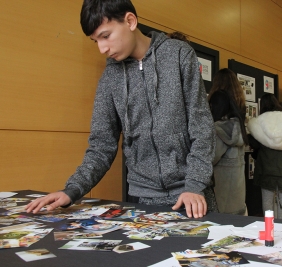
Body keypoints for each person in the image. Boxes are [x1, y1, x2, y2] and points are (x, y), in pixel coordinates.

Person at [26, 0, 216, 218]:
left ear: (130, 21)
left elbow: (202, 128)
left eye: (105, 36)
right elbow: (101, 146)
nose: (102, 48)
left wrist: (194, 184)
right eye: (95, 40)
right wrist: (72, 189)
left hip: (193, 196)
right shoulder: (110, 78)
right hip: (144, 201)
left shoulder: (179, 55)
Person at [247, 93, 282, 219]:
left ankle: (269, 231)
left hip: (266, 170)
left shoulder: (259, 123)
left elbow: (253, 143)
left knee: (267, 204)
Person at [209, 90, 248, 215]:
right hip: (238, 194)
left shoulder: (218, 130)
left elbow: (211, 158)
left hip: (221, 194)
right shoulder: (239, 127)